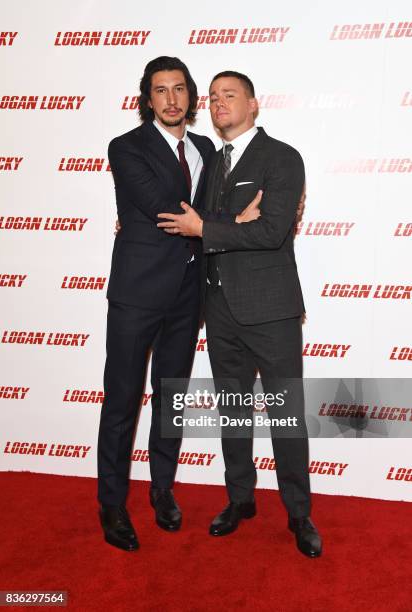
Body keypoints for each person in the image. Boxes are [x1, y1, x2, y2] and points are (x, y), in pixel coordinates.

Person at [98, 57, 260, 552]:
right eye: (160, 91)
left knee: (170, 398)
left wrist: (259, 208)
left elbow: (206, 209)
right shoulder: (126, 147)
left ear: (191, 97)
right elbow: (166, 208)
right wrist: (235, 216)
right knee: (122, 400)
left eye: (180, 90)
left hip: (190, 294)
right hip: (137, 293)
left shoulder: (209, 148)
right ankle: (112, 503)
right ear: (147, 99)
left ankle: (162, 490)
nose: (171, 99)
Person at [157, 71, 322, 558]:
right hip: (219, 310)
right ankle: (240, 500)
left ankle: (298, 513)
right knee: (232, 412)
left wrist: (204, 226)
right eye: (212, 97)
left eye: (230, 95)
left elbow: (272, 232)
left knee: (287, 416)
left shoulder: (282, 158)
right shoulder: (209, 160)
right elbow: (195, 222)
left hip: (271, 311)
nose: (218, 103)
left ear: (254, 104)